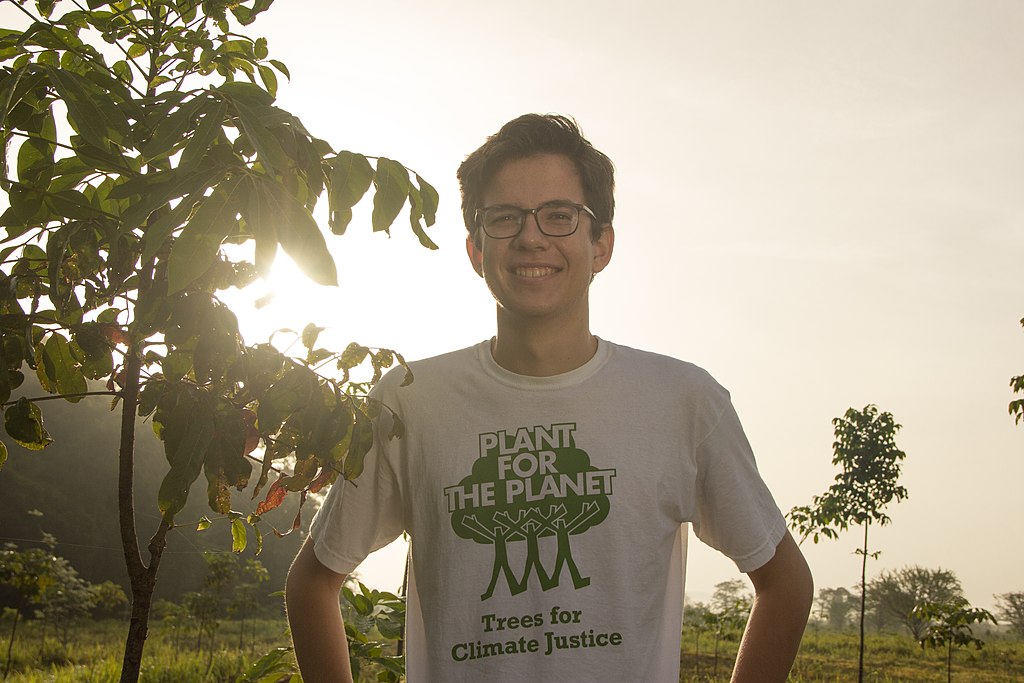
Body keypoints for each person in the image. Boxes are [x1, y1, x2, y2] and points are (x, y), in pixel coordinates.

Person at [285, 114, 813, 682]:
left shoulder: (683, 401)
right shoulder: (409, 401)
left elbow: (784, 582)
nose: (531, 237)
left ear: (602, 244)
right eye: (504, 218)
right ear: (476, 249)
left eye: (560, 216)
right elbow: (314, 580)